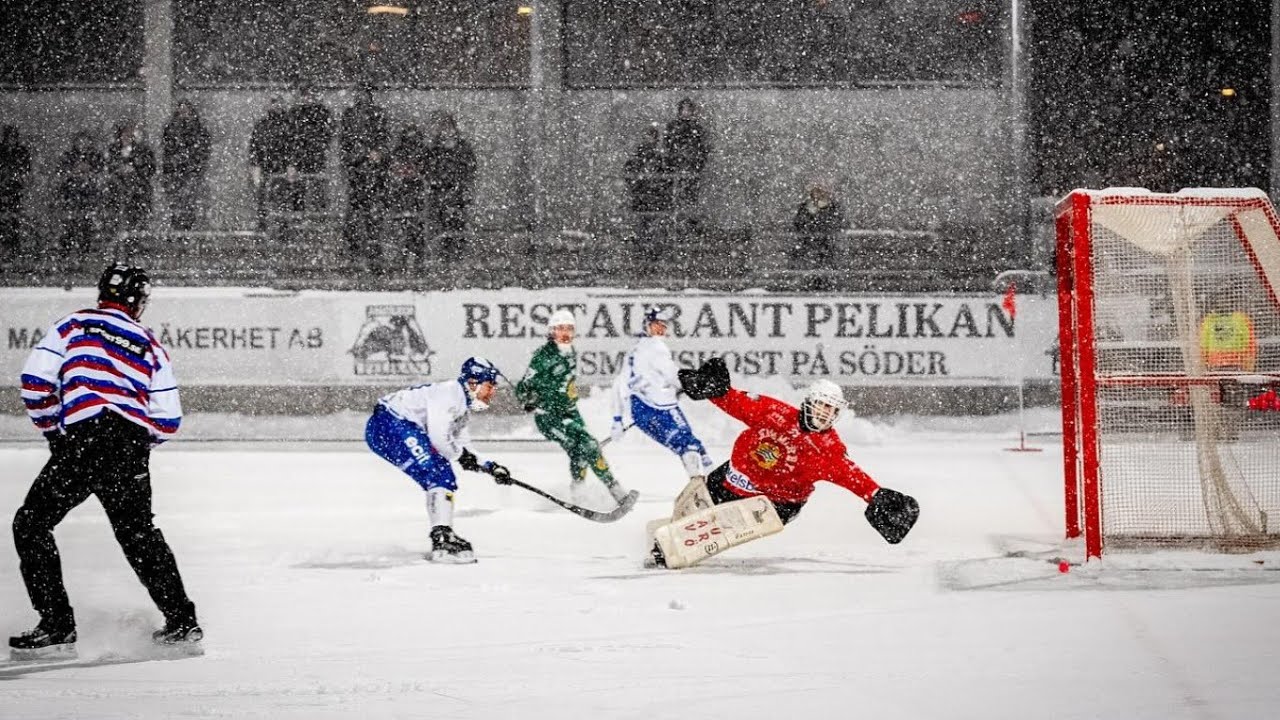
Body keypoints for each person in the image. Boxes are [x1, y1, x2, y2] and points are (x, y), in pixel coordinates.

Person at [10, 263, 201, 659]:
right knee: (139, 535)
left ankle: (57, 624)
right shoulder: (150, 344)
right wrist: (134, 443)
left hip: (83, 437)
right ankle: (182, 621)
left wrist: (54, 431)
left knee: (31, 524)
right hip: (129, 446)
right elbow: (168, 420)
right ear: (138, 301)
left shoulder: (73, 324)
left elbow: (35, 382)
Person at [648, 357, 919, 569]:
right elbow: (737, 403)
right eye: (822, 405)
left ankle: (677, 546)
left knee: (722, 522)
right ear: (809, 402)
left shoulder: (828, 450)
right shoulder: (774, 411)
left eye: (832, 409)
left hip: (773, 504)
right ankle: (667, 537)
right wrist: (715, 391)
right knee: (689, 510)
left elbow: (852, 475)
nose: (826, 413)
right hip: (730, 479)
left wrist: (877, 495)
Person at [364, 357, 512, 564]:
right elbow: (439, 438)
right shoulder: (450, 394)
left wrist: (491, 467)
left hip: (385, 428)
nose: (493, 392)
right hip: (391, 424)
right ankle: (442, 538)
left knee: (440, 476)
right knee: (439, 474)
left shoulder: (460, 404)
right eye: (490, 385)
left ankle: (442, 534)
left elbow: (462, 445)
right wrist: (461, 456)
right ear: (473, 383)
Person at [516, 310, 634, 506]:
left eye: (570, 328)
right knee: (589, 445)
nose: (566, 333)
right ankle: (616, 492)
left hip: (570, 412)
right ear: (552, 331)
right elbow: (523, 387)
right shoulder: (542, 357)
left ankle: (578, 494)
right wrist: (528, 399)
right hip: (550, 417)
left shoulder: (569, 351)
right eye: (561, 328)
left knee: (580, 452)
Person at [610, 307, 712, 480]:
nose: (661, 329)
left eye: (664, 325)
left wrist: (617, 420)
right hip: (659, 408)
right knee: (690, 444)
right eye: (657, 324)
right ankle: (705, 485)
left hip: (639, 412)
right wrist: (693, 385)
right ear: (647, 325)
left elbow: (618, 385)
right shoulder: (657, 347)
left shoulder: (634, 350)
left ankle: (700, 483)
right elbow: (674, 376)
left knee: (684, 445)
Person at [340, 86, 390, 263]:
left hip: (373, 173)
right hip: (358, 171)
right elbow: (346, 143)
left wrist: (378, 153)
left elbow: (384, 139)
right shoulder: (350, 115)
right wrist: (360, 155)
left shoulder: (377, 115)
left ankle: (371, 249)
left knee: (371, 213)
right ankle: (355, 249)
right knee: (356, 213)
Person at [425, 112, 476, 245]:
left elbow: (471, 166)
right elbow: (429, 169)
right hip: (441, 193)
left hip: (458, 192)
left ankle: (457, 246)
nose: (446, 130)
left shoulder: (462, 147)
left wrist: (461, 182)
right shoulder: (435, 149)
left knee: (458, 227)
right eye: (443, 126)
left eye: (448, 126)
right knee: (442, 228)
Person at [161, 100, 212, 230]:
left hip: (190, 172)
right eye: (181, 111)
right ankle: (179, 226)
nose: (183, 114)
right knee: (178, 203)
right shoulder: (172, 129)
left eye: (185, 111)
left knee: (189, 201)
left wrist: (192, 164)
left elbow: (202, 152)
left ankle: (187, 227)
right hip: (177, 172)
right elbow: (168, 151)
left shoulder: (198, 130)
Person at [249, 95, 290, 230]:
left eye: (279, 103)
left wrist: (290, 165)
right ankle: (264, 225)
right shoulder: (262, 126)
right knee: (264, 199)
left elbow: (292, 146)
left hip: (281, 169)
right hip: (267, 168)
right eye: (274, 103)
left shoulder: (288, 125)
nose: (277, 106)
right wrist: (255, 166)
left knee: (281, 200)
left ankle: (281, 227)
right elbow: (255, 148)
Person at [663, 97, 711, 210]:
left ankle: (688, 211)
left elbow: (702, 148)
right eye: (684, 109)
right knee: (675, 194)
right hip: (676, 167)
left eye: (688, 110)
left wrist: (697, 162)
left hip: (692, 167)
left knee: (690, 195)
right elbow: (668, 145)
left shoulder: (697, 128)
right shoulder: (673, 126)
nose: (686, 112)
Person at [791, 182, 845, 269]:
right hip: (807, 243)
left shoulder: (832, 207)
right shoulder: (804, 207)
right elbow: (798, 223)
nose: (817, 195)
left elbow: (836, 223)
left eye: (820, 191)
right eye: (815, 191)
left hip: (827, 244)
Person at [0, 125, 32, 256]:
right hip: (6, 188)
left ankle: (12, 248)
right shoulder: (6, 151)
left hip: (14, 189)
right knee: (7, 219)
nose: (11, 140)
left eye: (13, 137)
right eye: (10, 137)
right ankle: (9, 248)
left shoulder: (20, 151)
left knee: (13, 220)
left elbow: (25, 171)